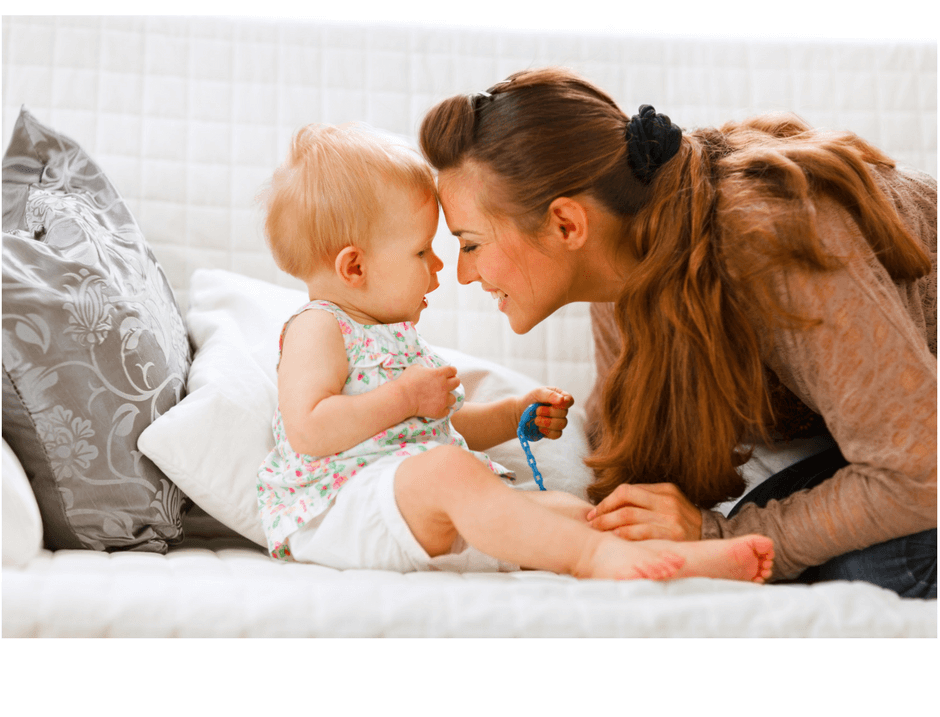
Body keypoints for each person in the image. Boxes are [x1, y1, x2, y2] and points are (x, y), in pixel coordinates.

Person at [419, 67, 936, 598]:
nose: (462, 272)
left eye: (471, 242)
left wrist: (720, 535)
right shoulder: (624, 272)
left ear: (566, 224)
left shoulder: (767, 240)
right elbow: (630, 460)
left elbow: (920, 473)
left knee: (876, 569)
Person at [255, 121, 775, 583]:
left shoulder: (397, 340)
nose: (441, 268)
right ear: (354, 267)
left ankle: (687, 562)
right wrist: (405, 397)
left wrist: (511, 416)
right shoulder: (319, 327)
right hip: (340, 509)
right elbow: (310, 428)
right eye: (421, 251)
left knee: (564, 509)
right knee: (449, 472)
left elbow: (445, 428)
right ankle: (591, 559)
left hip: (416, 502)